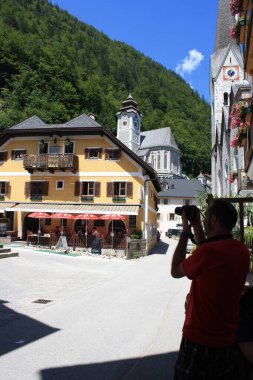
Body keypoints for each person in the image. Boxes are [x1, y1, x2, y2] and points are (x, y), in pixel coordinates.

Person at [171, 199, 250, 379]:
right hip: (226, 340)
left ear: (213, 219)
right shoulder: (241, 251)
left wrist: (185, 232)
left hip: (199, 339)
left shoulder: (209, 253)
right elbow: (208, 250)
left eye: (206, 216)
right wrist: (197, 225)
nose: (205, 219)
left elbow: (176, 271)